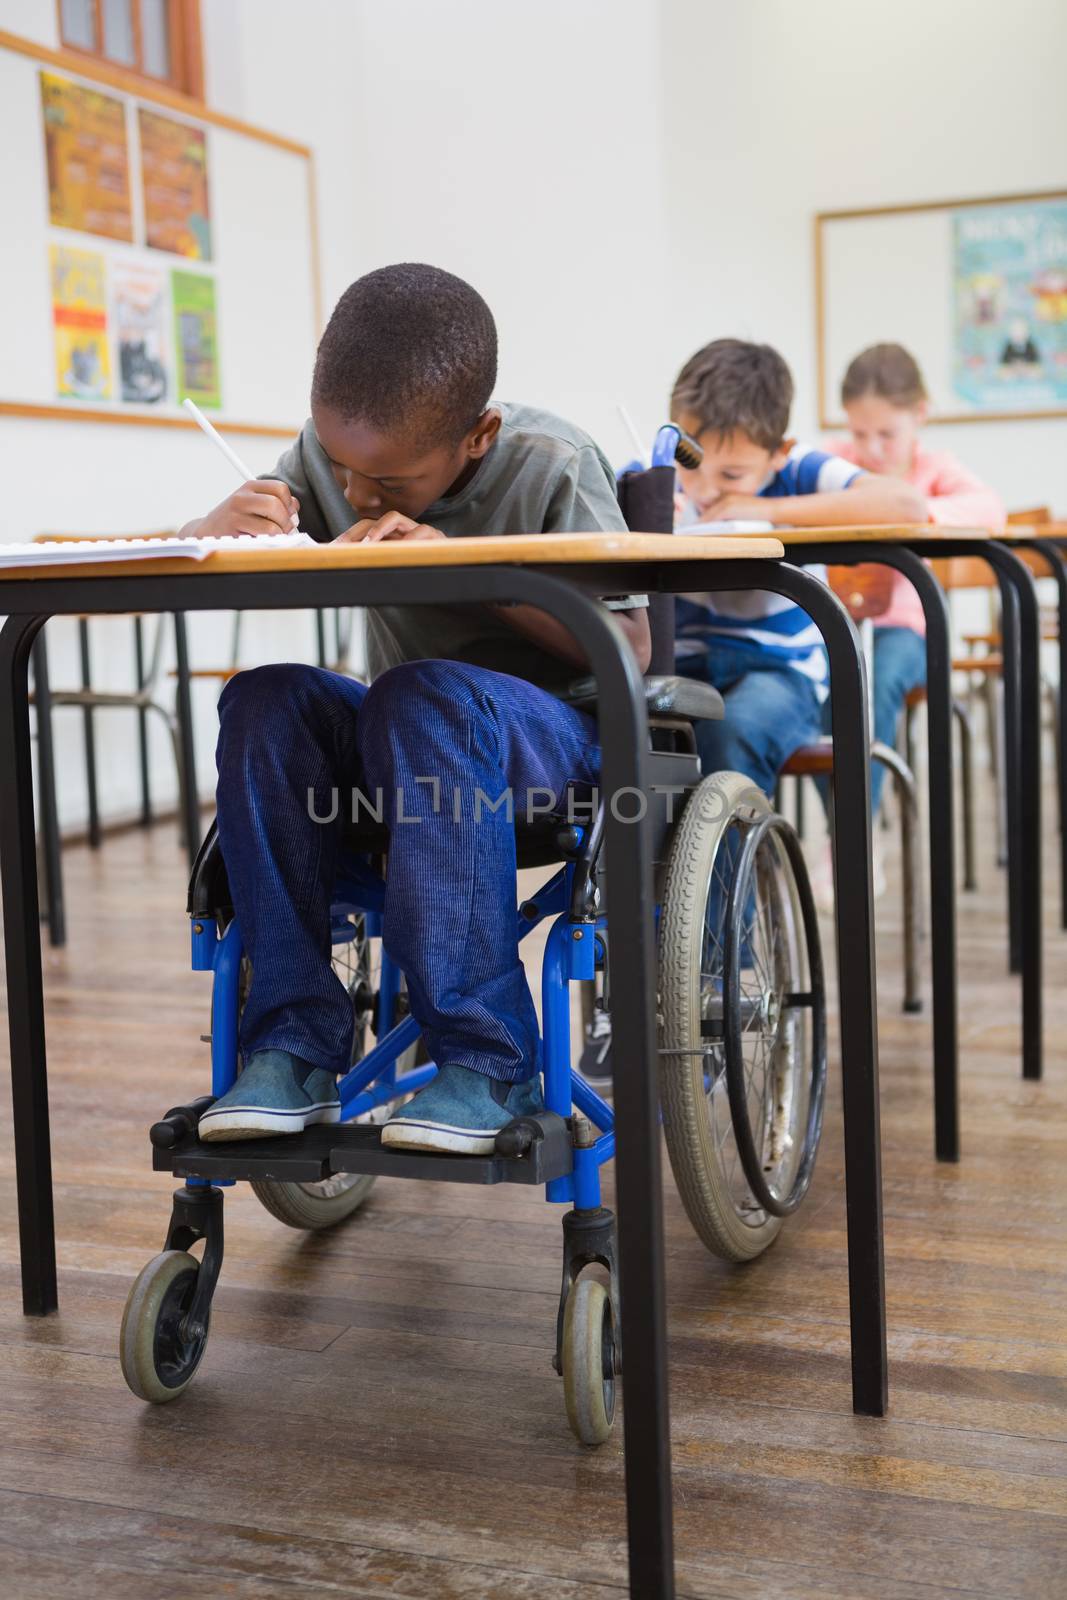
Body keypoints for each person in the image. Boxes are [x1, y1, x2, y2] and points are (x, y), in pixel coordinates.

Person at [181, 263, 650, 1154]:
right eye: (340, 467)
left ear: (477, 436)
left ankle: (489, 1058)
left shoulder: (553, 464)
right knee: (263, 698)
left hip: (555, 744)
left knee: (419, 695)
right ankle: (292, 1039)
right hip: (408, 742)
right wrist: (219, 529)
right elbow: (285, 528)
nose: (356, 494)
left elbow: (629, 648)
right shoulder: (340, 457)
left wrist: (466, 571)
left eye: (388, 483)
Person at [667, 338, 925, 797]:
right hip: (684, 665)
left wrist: (759, 507)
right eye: (691, 465)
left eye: (730, 476)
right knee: (629, 737)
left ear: (778, 452)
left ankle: (728, 870)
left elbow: (905, 503)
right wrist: (645, 517)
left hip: (780, 669)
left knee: (733, 733)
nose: (705, 491)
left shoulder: (797, 468)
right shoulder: (658, 467)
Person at [828, 341, 1006, 814]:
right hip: (838, 621)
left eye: (886, 433)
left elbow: (991, 509)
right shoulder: (835, 462)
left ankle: (853, 838)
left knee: (875, 681)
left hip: (910, 629)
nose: (871, 448)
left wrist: (907, 509)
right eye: (859, 432)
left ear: (920, 415)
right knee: (823, 688)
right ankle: (845, 831)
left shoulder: (935, 469)